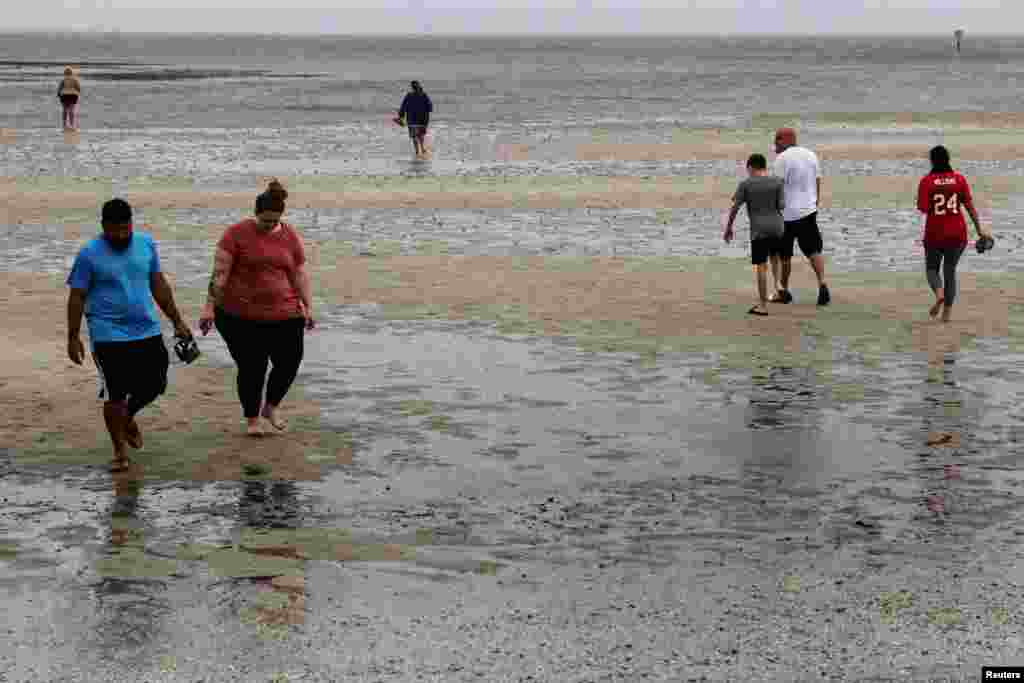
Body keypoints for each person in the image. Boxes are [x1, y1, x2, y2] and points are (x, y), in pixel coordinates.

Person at [66, 198, 193, 472]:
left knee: (156, 383)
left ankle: (128, 416)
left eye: (126, 229)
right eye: (115, 230)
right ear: (103, 227)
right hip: (108, 334)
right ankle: (119, 452)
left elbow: (158, 284)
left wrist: (177, 321)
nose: (122, 235)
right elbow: (77, 296)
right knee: (115, 394)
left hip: (147, 328)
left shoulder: (145, 244)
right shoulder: (89, 254)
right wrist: (73, 335)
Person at [198, 179, 315, 437]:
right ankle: (252, 418)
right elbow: (219, 274)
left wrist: (308, 305)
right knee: (253, 366)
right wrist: (208, 308)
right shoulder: (235, 234)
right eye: (265, 221)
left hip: (285, 313)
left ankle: (270, 406)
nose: (269, 226)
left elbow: (298, 273)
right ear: (256, 214)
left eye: (274, 221)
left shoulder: (289, 235)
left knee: (289, 362)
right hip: (240, 316)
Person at [916, 145, 992, 323]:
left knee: (932, 269)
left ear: (932, 161)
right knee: (950, 271)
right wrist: (979, 229)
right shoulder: (959, 179)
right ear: (948, 159)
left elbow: (923, 208)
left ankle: (939, 294)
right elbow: (970, 207)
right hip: (957, 234)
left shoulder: (926, 181)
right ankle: (947, 316)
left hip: (935, 233)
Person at [770, 127, 830, 306]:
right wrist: (815, 202)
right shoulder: (811, 155)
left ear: (783, 140)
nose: (775, 145)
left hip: (787, 214)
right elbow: (817, 180)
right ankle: (822, 284)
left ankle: (784, 291)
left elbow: (778, 186)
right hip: (808, 211)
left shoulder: (781, 159)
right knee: (813, 250)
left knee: (785, 255)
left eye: (776, 141)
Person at [724, 153, 785, 315]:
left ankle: (763, 306)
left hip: (759, 229)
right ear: (765, 166)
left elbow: (735, 207)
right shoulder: (778, 181)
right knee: (775, 257)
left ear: (750, 167)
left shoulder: (746, 184)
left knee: (761, 266)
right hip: (778, 227)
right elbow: (782, 205)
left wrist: (729, 227)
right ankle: (778, 285)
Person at [397, 80, 433, 157]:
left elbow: (403, 107)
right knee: (421, 135)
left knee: (414, 137)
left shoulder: (409, 95)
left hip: (412, 120)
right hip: (423, 120)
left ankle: (417, 152)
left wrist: (400, 116)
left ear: (412, 87)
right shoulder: (424, 95)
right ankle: (422, 149)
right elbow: (430, 108)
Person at [58, 66, 81, 131]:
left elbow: (60, 88)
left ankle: (64, 125)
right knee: (71, 110)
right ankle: (72, 125)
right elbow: (78, 88)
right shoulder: (75, 79)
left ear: (64, 73)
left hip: (64, 95)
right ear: (72, 72)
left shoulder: (63, 80)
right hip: (73, 96)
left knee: (65, 110)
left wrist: (59, 94)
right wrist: (78, 93)